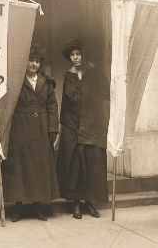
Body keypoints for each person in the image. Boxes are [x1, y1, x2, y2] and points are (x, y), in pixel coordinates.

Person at [1, 44, 59, 222]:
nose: (34, 64)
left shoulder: (46, 83)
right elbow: (7, 105)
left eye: (37, 61)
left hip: (41, 128)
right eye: (31, 60)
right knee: (19, 166)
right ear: (25, 62)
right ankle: (17, 207)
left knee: (38, 167)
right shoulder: (16, 82)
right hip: (20, 127)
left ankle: (37, 206)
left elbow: (52, 107)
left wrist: (52, 129)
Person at [56, 39, 110, 219]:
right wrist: (62, 128)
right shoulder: (68, 77)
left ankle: (90, 203)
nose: (75, 57)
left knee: (92, 164)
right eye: (72, 55)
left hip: (93, 125)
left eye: (78, 54)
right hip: (73, 127)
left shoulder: (95, 73)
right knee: (75, 166)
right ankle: (76, 204)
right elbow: (64, 104)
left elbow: (106, 98)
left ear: (83, 54)